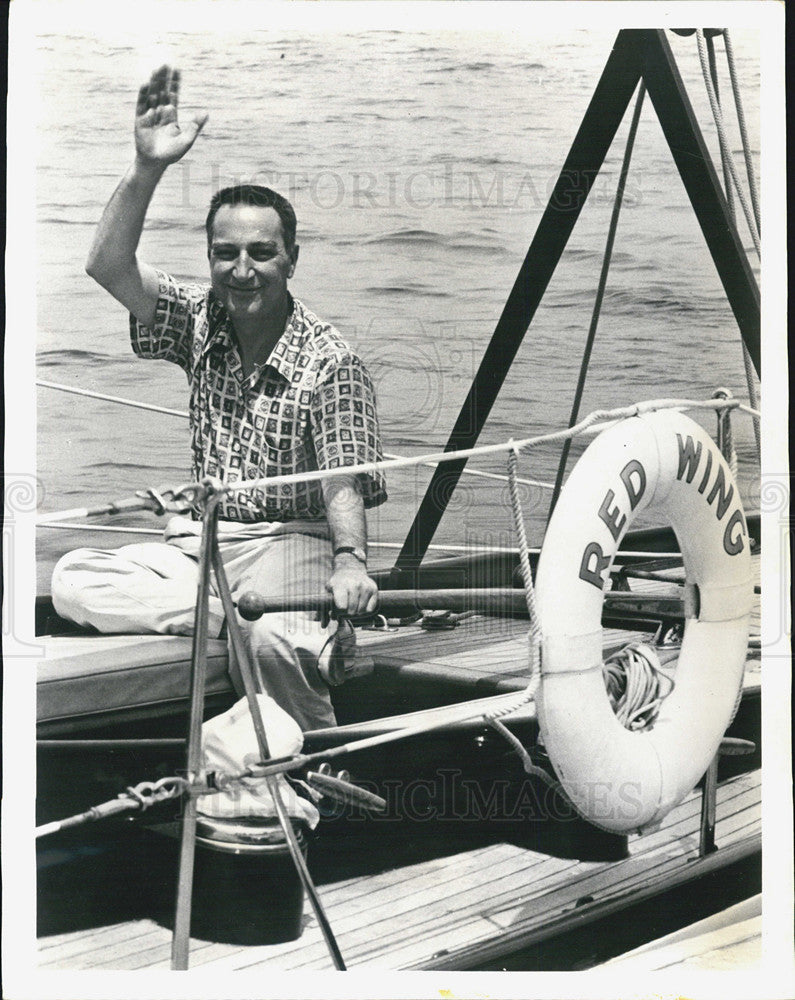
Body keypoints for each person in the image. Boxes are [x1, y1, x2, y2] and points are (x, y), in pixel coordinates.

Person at [52, 66, 387, 731]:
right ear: (209, 257)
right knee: (72, 578)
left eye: (260, 252)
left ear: (292, 258)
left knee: (271, 643)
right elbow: (106, 266)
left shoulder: (331, 361)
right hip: (201, 544)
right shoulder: (198, 321)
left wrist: (350, 563)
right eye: (224, 252)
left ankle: (312, 762)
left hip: (293, 540)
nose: (241, 270)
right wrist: (146, 168)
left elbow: (341, 483)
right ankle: (248, 612)